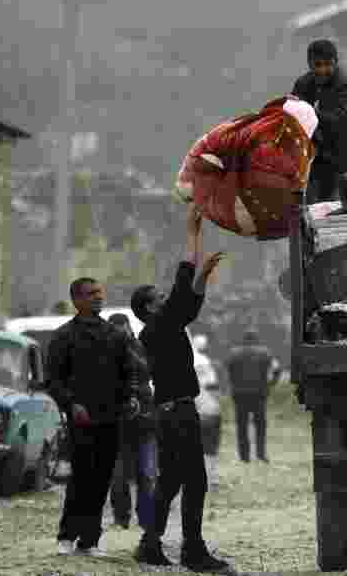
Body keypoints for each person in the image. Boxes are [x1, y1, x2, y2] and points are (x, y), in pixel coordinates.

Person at [130, 204, 229, 571]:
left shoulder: (163, 327)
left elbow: (188, 302)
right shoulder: (157, 327)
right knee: (196, 483)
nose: (164, 298)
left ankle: (149, 544)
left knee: (171, 483)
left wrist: (202, 275)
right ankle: (193, 551)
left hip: (171, 412)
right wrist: (192, 234)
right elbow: (183, 287)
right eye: (158, 297)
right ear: (149, 307)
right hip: (177, 414)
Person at [46, 277, 140, 558]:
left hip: (111, 417)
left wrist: (132, 396)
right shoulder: (64, 336)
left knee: (101, 479)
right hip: (81, 419)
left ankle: (89, 540)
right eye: (91, 294)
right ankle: (67, 536)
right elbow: (53, 379)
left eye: (100, 293)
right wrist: (71, 403)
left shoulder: (116, 335)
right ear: (77, 300)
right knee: (81, 477)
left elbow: (129, 372)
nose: (98, 297)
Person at [290, 39, 347, 203]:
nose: (322, 70)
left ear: (335, 62)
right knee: (313, 210)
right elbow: (294, 117)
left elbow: (339, 122)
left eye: (328, 64)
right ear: (310, 64)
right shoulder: (303, 84)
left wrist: (308, 112)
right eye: (318, 65)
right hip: (319, 160)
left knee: (344, 208)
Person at [107, 313, 158, 535]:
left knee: (146, 475)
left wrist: (127, 351)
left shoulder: (141, 347)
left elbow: (150, 371)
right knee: (118, 478)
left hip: (145, 423)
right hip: (117, 427)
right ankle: (121, 519)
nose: (120, 334)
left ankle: (146, 520)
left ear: (129, 328)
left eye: (123, 330)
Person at [225, 330, 282, 463]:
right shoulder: (265, 353)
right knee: (260, 425)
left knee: (242, 426)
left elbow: (227, 369)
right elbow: (277, 369)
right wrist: (271, 384)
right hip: (259, 394)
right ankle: (261, 454)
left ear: (243, 340)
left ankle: (244, 457)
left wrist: (234, 384)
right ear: (256, 340)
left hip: (239, 394)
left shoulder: (234, 353)